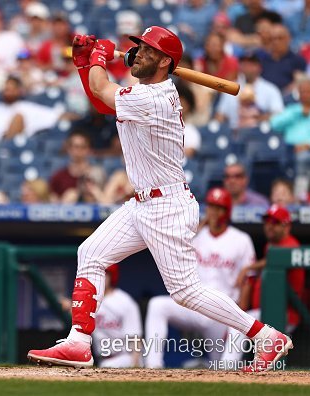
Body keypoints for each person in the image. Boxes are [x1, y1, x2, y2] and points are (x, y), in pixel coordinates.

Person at [27, 26, 293, 372]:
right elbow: (99, 100)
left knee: (185, 291)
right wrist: (84, 62)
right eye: (137, 47)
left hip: (167, 206)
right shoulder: (142, 91)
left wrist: (98, 55)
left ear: (166, 61)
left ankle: (265, 336)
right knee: (90, 253)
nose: (138, 53)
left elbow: (100, 87)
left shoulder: (154, 98)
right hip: (142, 203)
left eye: (148, 50)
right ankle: (79, 342)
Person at [144, 188, 256, 368]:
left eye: (218, 207)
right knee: (157, 305)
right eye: (211, 206)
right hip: (196, 306)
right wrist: (197, 229)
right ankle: (152, 366)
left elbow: (248, 281)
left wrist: (237, 320)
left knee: (221, 367)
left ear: (226, 211)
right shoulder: (195, 236)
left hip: (222, 312)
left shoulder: (241, 239)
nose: (213, 211)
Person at [222, 205, 304, 364]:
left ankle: (225, 368)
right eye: (267, 221)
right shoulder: (270, 246)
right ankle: (229, 368)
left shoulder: (291, 244)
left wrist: (249, 267)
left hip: (285, 314)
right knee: (238, 322)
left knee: (238, 324)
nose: (269, 226)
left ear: (286, 226)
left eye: (275, 222)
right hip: (265, 311)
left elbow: (277, 257)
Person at [214, 52, 283, 131]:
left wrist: (258, 118)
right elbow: (220, 115)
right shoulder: (230, 87)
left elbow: (279, 116)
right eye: (244, 63)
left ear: (259, 67)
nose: (247, 67)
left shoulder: (270, 89)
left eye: (251, 64)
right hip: (234, 133)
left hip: (260, 133)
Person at [92, 264, 142, 368]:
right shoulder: (90, 300)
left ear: (111, 276)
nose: (100, 278)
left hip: (124, 357)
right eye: (97, 275)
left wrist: (135, 363)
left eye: (105, 274)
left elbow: (135, 337)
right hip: (102, 359)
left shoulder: (124, 301)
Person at [48, 130, 105, 204]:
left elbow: (106, 201)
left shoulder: (98, 173)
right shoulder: (58, 176)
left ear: (88, 149)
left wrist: (94, 191)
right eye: (76, 147)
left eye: (83, 147)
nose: (79, 151)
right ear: (69, 149)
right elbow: (52, 202)